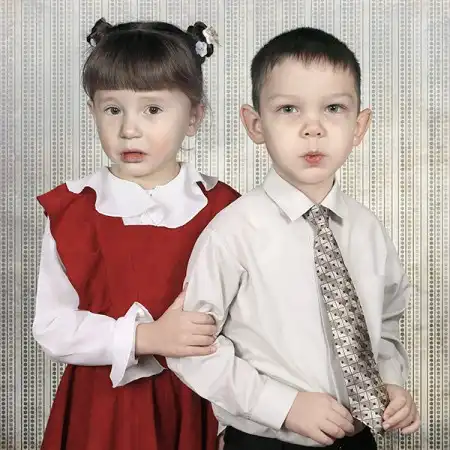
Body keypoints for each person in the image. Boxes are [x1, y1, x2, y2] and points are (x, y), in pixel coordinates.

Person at [168, 27, 420, 449]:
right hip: (265, 440)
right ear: (256, 124)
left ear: (359, 126)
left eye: (334, 108)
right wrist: (283, 405)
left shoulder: (368, 229)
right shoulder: (233, 232)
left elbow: (386, 321)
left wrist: (390, 383)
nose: (313, 128)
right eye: (289, 109)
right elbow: (190, 349)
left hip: (359, 437)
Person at [33, 17, 239, 450]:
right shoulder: (74, 211)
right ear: (93, 111)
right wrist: (145, 338)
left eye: (153, 110)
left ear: (194, 116)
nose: (129, 129)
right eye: (113, 109)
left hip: (196, 401)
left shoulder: (224, 209)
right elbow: (52, 325)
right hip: (101, 409)